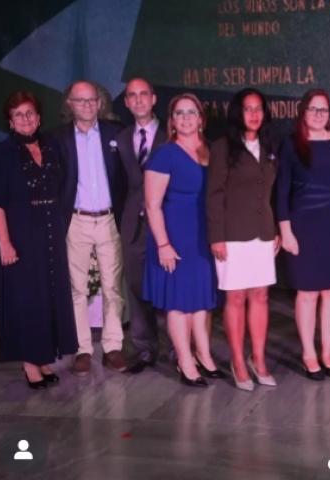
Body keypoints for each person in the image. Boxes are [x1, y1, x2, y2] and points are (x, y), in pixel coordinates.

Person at [0, 91, 78, 388]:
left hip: (50, 232)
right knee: (27, 300)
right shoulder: (2, 153)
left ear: (39, 118)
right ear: (10, 122)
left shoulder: (52, 146)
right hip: (21, 235)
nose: (25, 119)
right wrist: (4, 242)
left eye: (30, 113)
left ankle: (42, 358)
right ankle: (30, 365)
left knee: (48, 298)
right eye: (18, 115)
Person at [143, 93, 224, 387]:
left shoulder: (210, 150)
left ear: (201, 119)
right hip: (175, 235)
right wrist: (163, 244)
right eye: (180, 113)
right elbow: (152, 204)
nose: (186, 117)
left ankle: (204, 355)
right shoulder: (165, 153)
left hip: (203, 234)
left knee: (201, 299)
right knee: (178, 302)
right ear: (172, 121)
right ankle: (184, 361)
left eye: (192, 112)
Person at [208, 88, 280, 391]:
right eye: (248, 108)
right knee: (235, 298)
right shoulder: (224, 147)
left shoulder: (269, 145)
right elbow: (214, 194)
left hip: (263, 232)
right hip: (232, 236)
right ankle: (238, 361)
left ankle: (258, 359)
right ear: (239, 113)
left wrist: (275, 229)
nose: (254, 114)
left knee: (260, 296)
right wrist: (217, 237)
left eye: (259, 108)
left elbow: (270, 191)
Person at [55, 81, 129, 376]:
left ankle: (112, 347)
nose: (86, 105)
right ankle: (83, 350)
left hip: (110, 219)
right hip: (76, 220)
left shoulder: (116, 133)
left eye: (91, 100)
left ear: (100, 103)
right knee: (76, 289)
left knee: (113, 287)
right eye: (80, 100)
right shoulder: (57, 138)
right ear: (69, 104)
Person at [276, 89, 330, 381]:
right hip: (302, 226)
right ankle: (309, 353)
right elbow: (281, 190)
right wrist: (285, 230)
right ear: (303, 112)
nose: (318, 114)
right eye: (313, 109)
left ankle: (328, 351)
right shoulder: (291, 145)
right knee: (307, 294)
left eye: (324, 110)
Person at [116, 77, 168, 374]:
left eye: (143, 94)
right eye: (131, 95)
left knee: (172, 288)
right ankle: (145, 348)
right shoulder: (122, 138)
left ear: (153, 98)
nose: (138, 100)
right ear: (125, 102)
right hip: (132, 224)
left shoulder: (172, 134)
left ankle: (179, 350)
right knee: (136, 286)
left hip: (167, 222)